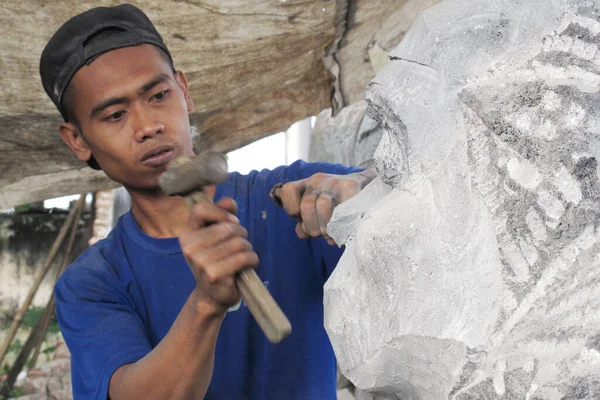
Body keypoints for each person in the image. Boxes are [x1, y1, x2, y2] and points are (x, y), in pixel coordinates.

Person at [39, 4, 376, 400]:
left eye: (159, 95)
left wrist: (361, 185)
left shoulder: (291, 197)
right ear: (77, 140)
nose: (149, 126)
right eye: (115, 115)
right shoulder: (92, 283)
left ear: (184, 90)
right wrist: (206, 305)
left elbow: (413, 189)